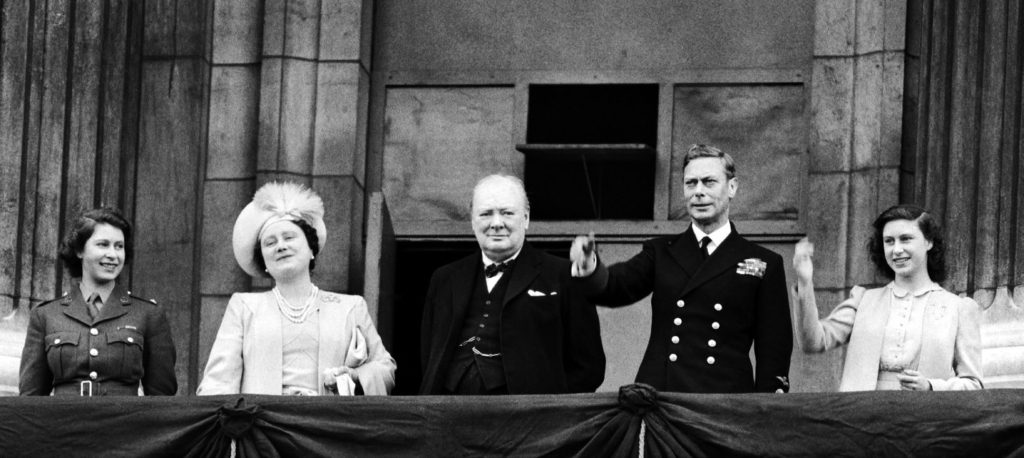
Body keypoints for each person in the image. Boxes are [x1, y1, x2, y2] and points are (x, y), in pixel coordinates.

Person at [570, 144, 792, 393]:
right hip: (663, 399)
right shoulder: (661, 252)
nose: (698, 192)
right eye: (691, 183)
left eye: (709, 182)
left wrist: (769, 405)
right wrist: (590, 266)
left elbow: (774, 347)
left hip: (725, 403)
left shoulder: (763, 262)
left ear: (732, 187)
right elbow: (616, 286)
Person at [197, 182, 395, 396]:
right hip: (262, 424)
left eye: (289, 237)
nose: (281, 246)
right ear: (263, 260)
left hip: (328, 425)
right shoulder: (244, 307)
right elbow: (218, 382)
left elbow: (385, 368)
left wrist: (354, 376)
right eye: (270, 243)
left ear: (311, 248)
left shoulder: (350, 307)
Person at [419, 174, 606, 395]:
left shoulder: (564, 275)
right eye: (486, 213)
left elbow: (588, 368)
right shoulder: (444, 279)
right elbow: (428, 354)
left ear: (526, 218)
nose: (496, 223)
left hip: (528, 422)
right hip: (449, 415)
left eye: (507, 213)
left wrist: (551, 414)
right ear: (472, 220)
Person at [791, 204, 983, 391]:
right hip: (862, 417)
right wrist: (805, 282)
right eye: (889, 241)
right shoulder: (864, 300)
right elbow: (813, 342)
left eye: (906, 239)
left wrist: (932, 386)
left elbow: (974, 384)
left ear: (928, 242)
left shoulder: (958, 308)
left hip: (923, 419)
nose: (896, 249)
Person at [19, 207, 177, 396]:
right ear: (79, 250)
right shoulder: (46, 315)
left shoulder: (148, 314)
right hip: (64, 425)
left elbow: (162, 398)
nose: (113, 254)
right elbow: (31, 398)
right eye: (103, 244)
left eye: (119, 246)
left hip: (124, 424)